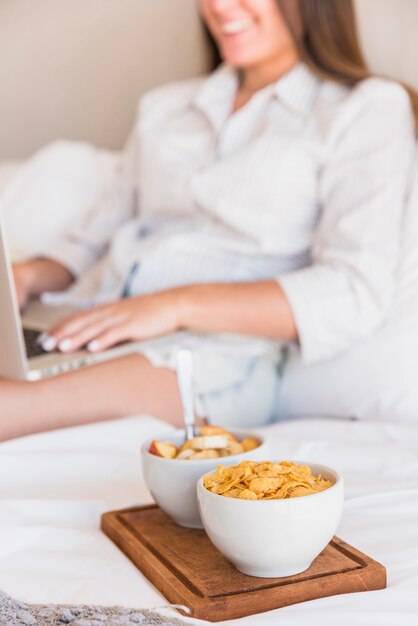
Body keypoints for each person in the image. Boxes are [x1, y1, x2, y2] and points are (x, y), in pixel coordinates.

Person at [3, 0, 417, 441]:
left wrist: (173, 306)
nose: (219, 7)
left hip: (214, 355)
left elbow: (353, 290)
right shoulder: (165, 108)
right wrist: (24, 278)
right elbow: (88, 242)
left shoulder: (365, 108)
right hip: (81, 321)